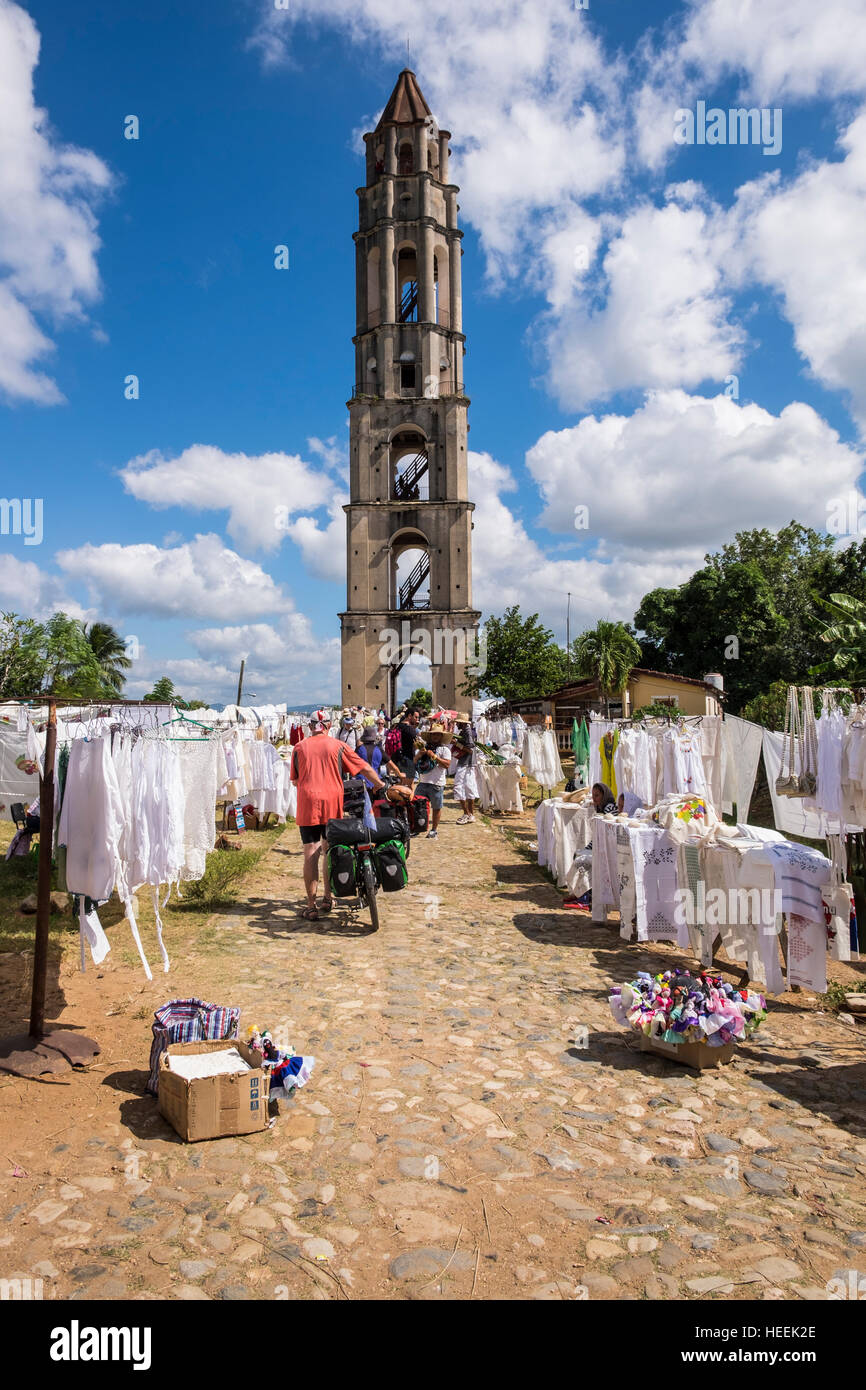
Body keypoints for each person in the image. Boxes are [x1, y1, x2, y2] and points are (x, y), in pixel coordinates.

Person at [290, 709, 385, 920]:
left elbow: (295, 780)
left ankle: (311, 905)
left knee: (310, 851)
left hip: (307, 802)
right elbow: (363, 768)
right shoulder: (339, 746)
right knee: (329, 849)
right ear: (329, 725)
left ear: (310, 726)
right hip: (332, 802)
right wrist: (379, 784)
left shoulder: (299, 748)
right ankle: (328, 896)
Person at [413, 735, 452, 838]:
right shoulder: (424, 748)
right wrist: (419, 755)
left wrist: (434, 757)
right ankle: (418, 827)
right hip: (423, 782)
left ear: (441, 737)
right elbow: (415, 761)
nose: (435, 736)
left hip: (437, 783)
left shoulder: (445, 750)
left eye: (437, 734)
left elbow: (447, 765)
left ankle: (434, 830)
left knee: (436, 808)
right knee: (418, 806)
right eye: (433, 734)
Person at [453, 731, 479, 824]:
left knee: (459, 788)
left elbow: (470, 750)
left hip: (465, 764)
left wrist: (456, 743)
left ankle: (467, 814)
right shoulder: (466, 732)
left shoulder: (467, 733)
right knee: (469, 789)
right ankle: (470, 815)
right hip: (469, 764)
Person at [396, 706, 421, 786]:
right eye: (416, 717)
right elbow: (418, 746)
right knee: (408, 786)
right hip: (408, 759)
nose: (417, 720)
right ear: (410, 716)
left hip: (398, 759)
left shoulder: (397, 726)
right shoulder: (410, 730)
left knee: (401, 783)